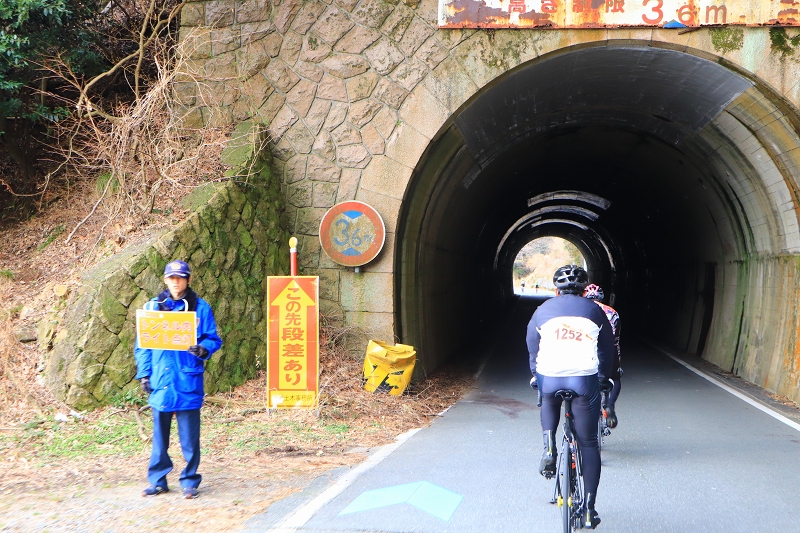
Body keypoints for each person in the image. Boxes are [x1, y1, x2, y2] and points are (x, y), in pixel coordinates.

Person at [527, 265, 615, 529]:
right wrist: (604, 378)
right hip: (583, 378)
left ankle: (549, 447)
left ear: (557, 288)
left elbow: (532, 344)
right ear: (583, 288)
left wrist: (535, 374)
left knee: (549, 396)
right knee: (588, 443)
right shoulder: (594, 310)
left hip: (549, 375)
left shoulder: (541, 310)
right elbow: (607, 350)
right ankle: (589, 508)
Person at [135, 260, 222, 499]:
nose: (176, 282)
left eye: (180, 278)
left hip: (187, 378)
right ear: (165, 280)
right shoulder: (153, 307)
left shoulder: (200, 307)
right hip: (161, 377)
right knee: (160, 437)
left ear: (188, 280)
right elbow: (142, 344)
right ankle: (158, 480)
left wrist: (204, 349)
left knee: (189, 438)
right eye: (171, 278)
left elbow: (213, 338)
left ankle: (190, 480)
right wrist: (144, 373)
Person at [583, 284, 621, 427]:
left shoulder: (581, 310)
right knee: (615, 378)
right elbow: (616, 339)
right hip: (607, 351)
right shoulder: (612, 312)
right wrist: (617, 362)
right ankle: (609, 405)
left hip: (586, 351)